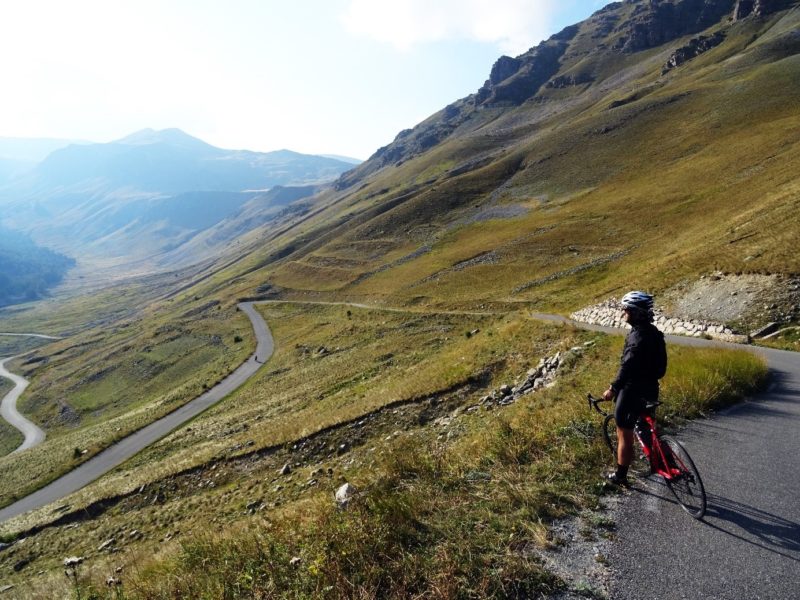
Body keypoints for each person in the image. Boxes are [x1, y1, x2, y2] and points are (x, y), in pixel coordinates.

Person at [602, 291, 667, 485]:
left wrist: (613, 388)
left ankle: (620, 476)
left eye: (627, 310)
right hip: (651, 388)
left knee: (624, 434)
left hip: (631, 391)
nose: (624, 313)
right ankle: (662, 463)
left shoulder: (636, 337)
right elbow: (661, 367)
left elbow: (627, 367)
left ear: (637, 313)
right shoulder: (655, 333)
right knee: (646, 427)